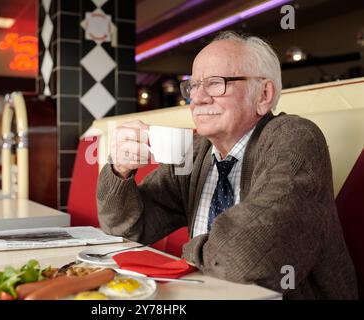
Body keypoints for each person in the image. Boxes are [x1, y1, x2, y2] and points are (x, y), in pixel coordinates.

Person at [96, 31, 358, 299]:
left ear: (263, 94)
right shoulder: (197, 151)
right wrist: (120, 171)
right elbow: (126, 229)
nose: (197, 98)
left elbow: (247, 255)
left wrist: (188, 254)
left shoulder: (295, 138)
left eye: (215, 83)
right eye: (193, 86)